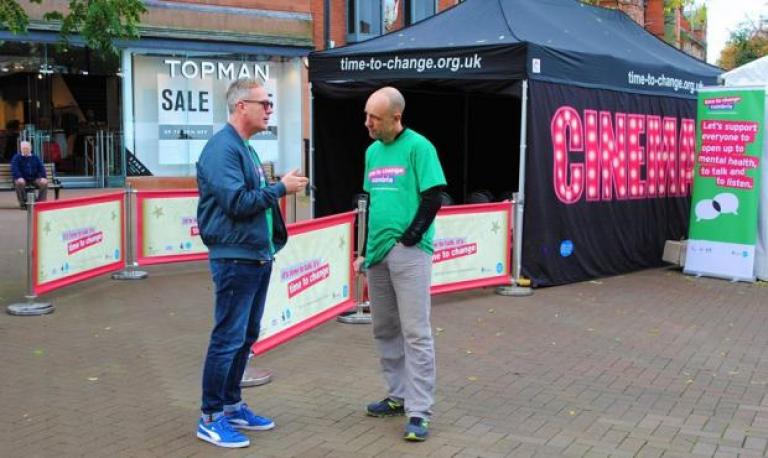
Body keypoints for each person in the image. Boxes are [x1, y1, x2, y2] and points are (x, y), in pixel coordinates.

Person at [195, 78, 308, 448]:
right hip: (235, 258)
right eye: (265, 103)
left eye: (270, 103)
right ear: (242, 106)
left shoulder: (244, 148)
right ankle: (210, 417)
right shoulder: (222, 150)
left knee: (244, 337)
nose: (270, 110)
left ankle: (231, 405)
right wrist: (280, 188)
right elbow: (237, 203)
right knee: (227, 338)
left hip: (255, 256)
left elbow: (249, 199)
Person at [353, 87, 447, 442]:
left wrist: (409, 238)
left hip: (409, 253)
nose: (367, 123)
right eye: (366, 116)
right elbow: (372, 204)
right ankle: (397, 395)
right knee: (385, 328)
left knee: (416, 333)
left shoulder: (420, 148)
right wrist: (364, 250)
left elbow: (433, 197)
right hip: (377, 255)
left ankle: (419, 410)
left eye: (374, 118)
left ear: (396, 117)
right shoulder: (372, 152)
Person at [11, 141, 48, 209]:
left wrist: (43, 177)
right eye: (23, 148)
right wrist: (19, 177)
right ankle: (23, 203)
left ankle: (40, 203)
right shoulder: (16, 157)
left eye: (27, 148)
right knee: (19, 183)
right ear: (21, 149)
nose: (25, 150)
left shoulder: (35, 157)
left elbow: (41, 168)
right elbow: (14, 169)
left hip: (34, 178)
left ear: (30, 148)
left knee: (44, 183)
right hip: (22, 178)